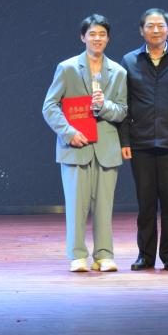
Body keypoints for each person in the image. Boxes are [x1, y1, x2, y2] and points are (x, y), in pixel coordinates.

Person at [42, 14, 128, 273]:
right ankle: (77, 255)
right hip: (75, 146)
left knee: (104, 207)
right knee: (76, 206)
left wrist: (104, 106)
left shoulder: (118, 72)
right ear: (83, 37)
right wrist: (68, 133)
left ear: (108, 38)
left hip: (106, 148)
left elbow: (122, 111)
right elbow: (50, 106)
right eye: (92, 34)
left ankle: (104, 255)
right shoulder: (67, 68)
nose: (97, 38)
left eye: (102, 34)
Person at [120, 9, 168, 271]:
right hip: (140, 143)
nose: (155, 30)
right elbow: (124, 103)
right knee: (146, 203)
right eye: (150, 26)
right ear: (141, 30)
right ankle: (145, 255)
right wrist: (125, 140)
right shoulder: (129, 60)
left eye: (160, 25)